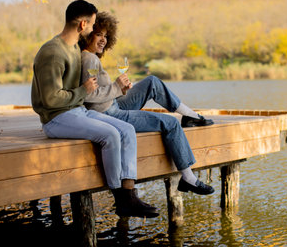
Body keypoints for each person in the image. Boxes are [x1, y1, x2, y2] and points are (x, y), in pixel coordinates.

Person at [31, 0, 158, 218]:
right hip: (56, 118)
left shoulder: (72, 48)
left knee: (126, 129)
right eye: (92, 25)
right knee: (110, 135)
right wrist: (83, 91)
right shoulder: (52, 53)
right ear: (82, 24)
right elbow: (50, 99)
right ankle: (119, 197)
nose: (93, 29)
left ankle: (129, 194)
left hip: (76, 111)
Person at [79, 11, 215, 195]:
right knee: (171, 123)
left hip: (113, 105)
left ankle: (189, 115)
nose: (103, 39)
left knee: (152, 82)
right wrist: (117, 87)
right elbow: (89, 95)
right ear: (88, 34)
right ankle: (188, 179)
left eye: (106, 36)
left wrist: (121, 90)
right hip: (110, 114)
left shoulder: (91, 57)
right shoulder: (88, 58)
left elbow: (97, 92)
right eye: (98, 34)